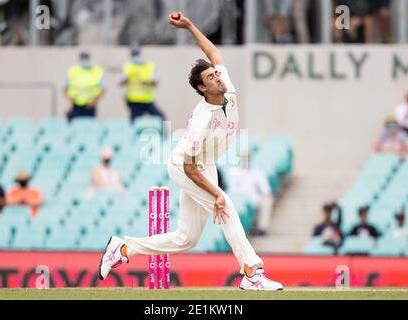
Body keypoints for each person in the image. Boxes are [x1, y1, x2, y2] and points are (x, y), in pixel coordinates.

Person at [98, 12, 283, 291]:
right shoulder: (202, 119)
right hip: (185, 166)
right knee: (227, 206)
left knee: (187, 238)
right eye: (211, 76)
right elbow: (188, 167)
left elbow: (212, 51)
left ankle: (123, 248)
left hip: (204, 164)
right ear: (202, 87)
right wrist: (216, 194)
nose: (218, 77)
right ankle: (252, 272)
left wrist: (189, 26)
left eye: (217, 73)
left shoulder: (228, 90)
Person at [228, 150, 274, 236]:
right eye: (242, 158)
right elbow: (232, 190)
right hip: (238, 198)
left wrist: (265, 195)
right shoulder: (233, 173)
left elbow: (266, 190)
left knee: (267, 200)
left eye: (246, 158)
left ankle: (262, 228)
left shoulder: (257, 172)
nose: (244, 161)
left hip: (253, 197)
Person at [119, 43, 166, 123]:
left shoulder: (149, 66)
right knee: (135, 123)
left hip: (148, 100)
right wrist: (129, 78)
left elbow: (156, 82)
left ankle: (164, 134)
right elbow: (121, 82)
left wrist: (146, 82)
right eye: (134, 53)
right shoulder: (128, 66)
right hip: (134, 100)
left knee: (161, 118)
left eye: (136, 53)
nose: (135, 55)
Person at [64, 51, 106, 122]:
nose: (84, 60)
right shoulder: (72, 70)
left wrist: (94, 101)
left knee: (89, 126)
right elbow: (65, 88)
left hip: (90, 105)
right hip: (76, 104)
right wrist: (70, 98)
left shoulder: (96, 71)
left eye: (86, 58)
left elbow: (103, 89)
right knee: (76, 125)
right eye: (83, 58)